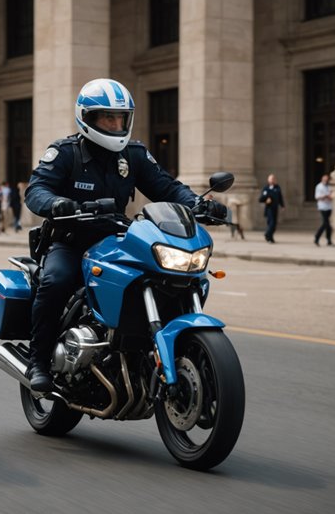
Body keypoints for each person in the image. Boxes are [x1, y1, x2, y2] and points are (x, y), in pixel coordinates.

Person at [24, 78, 223, 392]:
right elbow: (36, 190)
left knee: (162, 276)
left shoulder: (133, 155)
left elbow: (167, 188)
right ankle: (39, 360)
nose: (116, 124)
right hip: (72, 241)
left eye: (121, 118)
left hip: (116, 239)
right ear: (87, 118)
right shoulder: (65, 153)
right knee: (56, 281)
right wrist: (57, 203)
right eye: (108, 117)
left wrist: (199, 204)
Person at [259, 173, 285, 243]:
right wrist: (266, 199)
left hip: (275, 208)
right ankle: (267, 234)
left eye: (273, 179)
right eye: (271, 179)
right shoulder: (266, 188)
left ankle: (270, 237)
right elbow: (261, 199)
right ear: (268, 180)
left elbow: (280, 197)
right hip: (269, 208)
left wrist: (282, 205)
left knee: (274, 224)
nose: (272, 180)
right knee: (271, 223)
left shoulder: (277, 187)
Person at [314, 173, 334, 246]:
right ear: (322, 179)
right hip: (322, 207)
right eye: (324, 179)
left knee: (327, 225)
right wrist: (324, 196)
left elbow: (332, 196)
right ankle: (317, 237)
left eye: (327, 179)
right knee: (326, 224)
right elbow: (317, 197)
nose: (326, 180)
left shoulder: (329, 187)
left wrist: (329, 196)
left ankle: (328, 240)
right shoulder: (319, 186)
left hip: (329, 207)